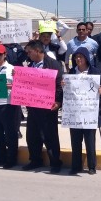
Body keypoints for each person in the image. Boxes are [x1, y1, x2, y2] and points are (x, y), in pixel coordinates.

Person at [22, 40, 64, 173]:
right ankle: (35, 160)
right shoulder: (29, 65)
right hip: (33, 106)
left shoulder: (53, 64)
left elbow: (59, 85)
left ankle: (55, 162)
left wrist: (58, 101)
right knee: (32, 135)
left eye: (29, 52)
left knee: (49, 135)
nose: (27, 54)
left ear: (38, 51)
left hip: (48, 107)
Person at [66, 47, 101, 174]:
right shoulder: (71, 72)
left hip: (89, 112)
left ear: (86, 58)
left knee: (90, 140)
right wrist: (64, 85)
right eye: (76, 57)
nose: (78, 59)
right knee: (75, 140)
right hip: (75, 112)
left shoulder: (94, 72)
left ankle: (92, 166)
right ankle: (76, 166)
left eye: (80, 57)